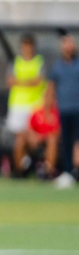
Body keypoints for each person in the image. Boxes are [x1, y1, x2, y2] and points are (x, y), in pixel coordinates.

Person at [7, 34, 46, 174]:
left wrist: (20, 81)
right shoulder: (16, 62)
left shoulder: (38, 61)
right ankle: (20, 170)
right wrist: (29, 82)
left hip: (34, 106)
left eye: (30, 46)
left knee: (33, 140)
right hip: (17, 105)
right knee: (19, 139)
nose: (27, 48)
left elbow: (39, 81)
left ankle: (31, 162)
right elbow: (10, 81)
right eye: (25, 45)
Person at [45, 34, 79, 182]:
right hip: (64, 110)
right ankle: (67, 172)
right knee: (66, 142)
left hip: (78, 109)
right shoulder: (57, 66)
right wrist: (47, 110)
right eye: (66, 45)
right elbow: (51, 88)